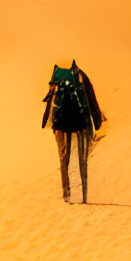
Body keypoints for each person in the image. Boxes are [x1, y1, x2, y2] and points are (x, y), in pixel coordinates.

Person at [41, 60, 105, 202]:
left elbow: (50, 107)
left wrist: (50, 125)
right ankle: (82, 195)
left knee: (64, 159)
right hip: (80, 125)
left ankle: (67, 194)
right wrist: (97, 122)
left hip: (59, 126)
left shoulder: (56, 80)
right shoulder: (80, 77)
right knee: (81, 160)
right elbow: (91, 100)